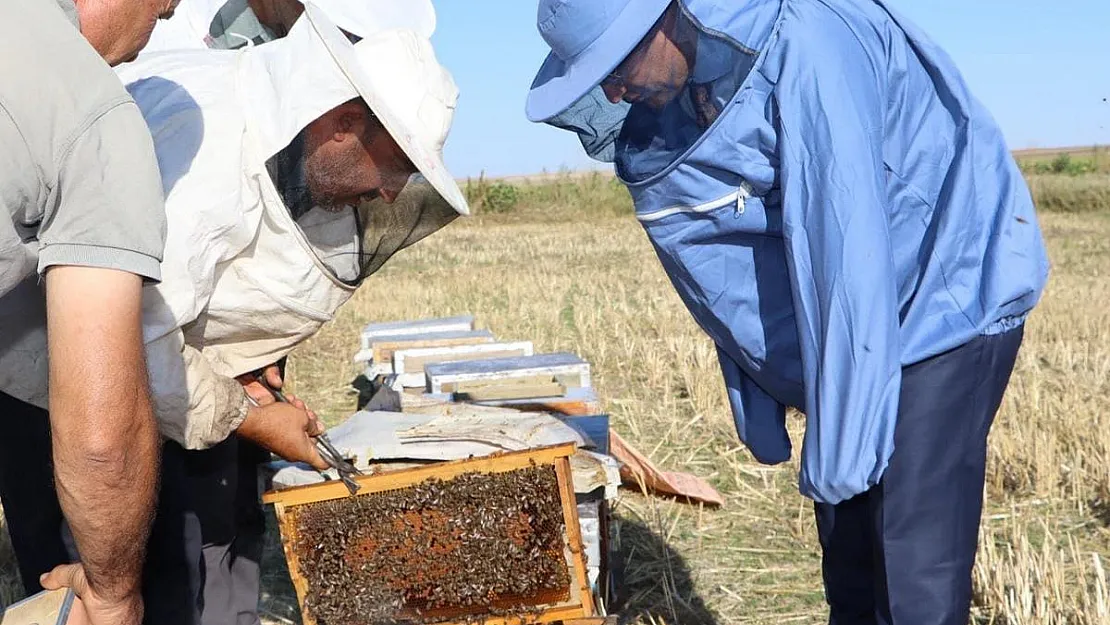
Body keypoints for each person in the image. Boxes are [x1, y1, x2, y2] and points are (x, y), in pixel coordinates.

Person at [524, 1, 1050, 624]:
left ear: (666, 17)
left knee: (910, 555)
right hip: (867, 294)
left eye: (616, 64)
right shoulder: (707, 73)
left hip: (948, 290)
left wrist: (842, 447)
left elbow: (841, 240)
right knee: (850, 547)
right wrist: (760, 381)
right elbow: (732, 237)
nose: (614, 92)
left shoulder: (811, 46)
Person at [0, 4, 467, 623]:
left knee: (174, 571)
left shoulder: (254, 120)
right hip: (59, 400)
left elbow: (184, 303)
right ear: (343, 122)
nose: (389, 193)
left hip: (116, 391)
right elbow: (134, 350)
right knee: (103, 589)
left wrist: (240, 369)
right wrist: (251, 419)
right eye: (396, 166)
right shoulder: (210, 160)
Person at [0, 0, 179, 623]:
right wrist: (112, 590)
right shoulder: (90, 105)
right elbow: (102, 442)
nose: (158, 30)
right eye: (164, 11)